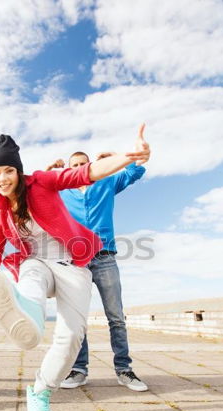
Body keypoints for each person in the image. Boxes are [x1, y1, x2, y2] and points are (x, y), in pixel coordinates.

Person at [0, 129, 149, 411]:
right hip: (35, 263)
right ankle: (28, 321)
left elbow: (87, 174)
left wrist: (128, 157)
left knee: (73, 335)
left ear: (18, 170)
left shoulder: (43, 181)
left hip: (72, 262)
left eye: (8, 170)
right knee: (31, 280)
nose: (1, 179)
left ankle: (40, 391)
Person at [47, 126, 150, 391]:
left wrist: (117, 156)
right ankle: (79, 370)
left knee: (115, 316)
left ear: (90, 165)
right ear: (68, 170)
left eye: (83, 164)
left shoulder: (105, 182)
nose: (79, 168)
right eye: (74, 166)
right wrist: (50, 171)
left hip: (105, 258)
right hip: (75, 261)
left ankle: (124, 370)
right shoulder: (62, 192)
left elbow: (135, 171)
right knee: (76, 317)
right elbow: (37, 193)